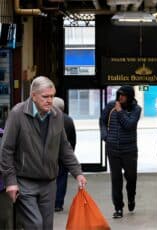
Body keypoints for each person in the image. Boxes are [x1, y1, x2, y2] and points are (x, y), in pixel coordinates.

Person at [0, 76, 87, 229]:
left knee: (47, 226)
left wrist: (77, 172)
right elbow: (6, 150)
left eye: (52, 96)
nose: (49, 100)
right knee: (35, 224)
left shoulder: (56, 115)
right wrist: (11, 182)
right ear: (33, 95)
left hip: (49, 182)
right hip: (25, 181)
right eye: (45, 96)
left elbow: (64, 147)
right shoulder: (17, 114)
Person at [99, 85, 141, 219]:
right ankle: (118, 208)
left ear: (129, 96)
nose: (120, 97)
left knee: (131, 177)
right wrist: (105, 136)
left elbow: (129, 125)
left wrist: (120, 111)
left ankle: (131, 198)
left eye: (123, 95)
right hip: (113, 149)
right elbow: (102, 121)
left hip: (129, 149)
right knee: (116, 179)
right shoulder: (111, 106)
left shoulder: (136, 109)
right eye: (119, 95)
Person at [53, 97, 77, 212]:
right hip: (64, 156)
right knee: (62, 179)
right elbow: (73, 139)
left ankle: (50, 201)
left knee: (51, 178)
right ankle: (58, 203)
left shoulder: (49, 118)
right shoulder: (69, 120)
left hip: (51, 155)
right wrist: (71, 154)